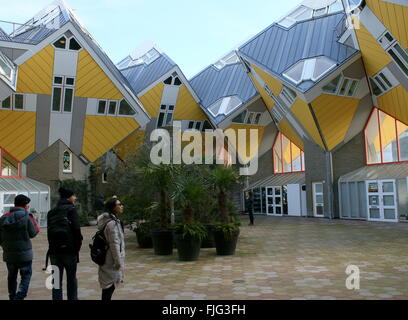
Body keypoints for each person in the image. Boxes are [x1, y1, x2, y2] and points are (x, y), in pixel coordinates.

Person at [46, 187, 83, 300]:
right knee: (71, 279)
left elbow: (48, 233)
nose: (75, 197)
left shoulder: (52, 212)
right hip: (69, 251)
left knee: (56, 281)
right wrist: (76, 247)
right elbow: (77, 230)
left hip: (54, 251)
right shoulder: (71, 210)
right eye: (74, 195)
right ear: (69, 197)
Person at [0, 195, 39, 300]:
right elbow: (33, 233)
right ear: (25, 205)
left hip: (9, 254)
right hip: (25, 254)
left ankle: (12, 296)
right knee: (26, 276)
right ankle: (19, 296)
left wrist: (5, 246)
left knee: (11, 276)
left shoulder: (4, 217)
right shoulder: (27, 216)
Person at [97, 197, 125, 301]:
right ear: (113, 208)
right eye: (119, 204)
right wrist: (118, 261)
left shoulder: (110, 221)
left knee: (108, 286)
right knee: (109, 287)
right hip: (111, 260)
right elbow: (114, 244)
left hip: (107, 259)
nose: (121, 206)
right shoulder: (112, 224)